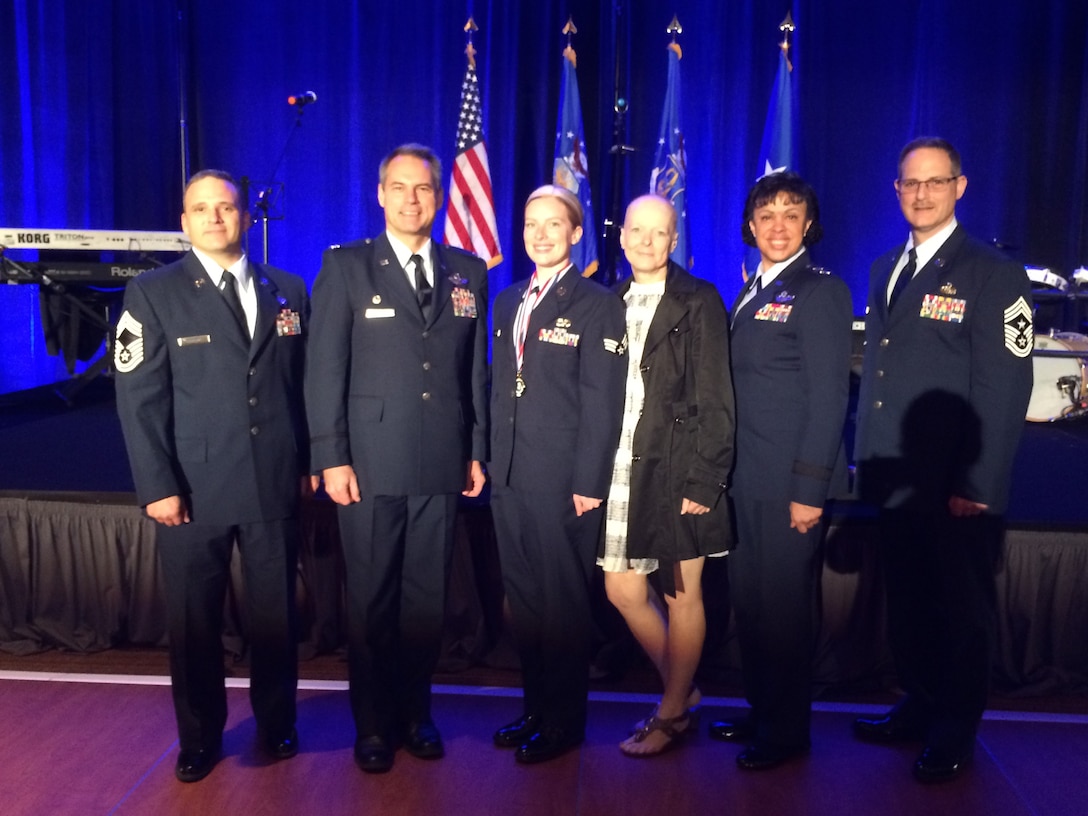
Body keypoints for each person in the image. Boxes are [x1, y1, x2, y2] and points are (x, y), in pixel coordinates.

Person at [114, 169, 309, 783]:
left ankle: (277, 723)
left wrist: (305, 467)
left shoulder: (289, 289)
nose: (215, 219)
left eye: (225, 208)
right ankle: (199, 737)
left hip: (273, 482)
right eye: (202, 209)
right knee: (196, 623)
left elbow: (302, 389)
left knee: (276, 616)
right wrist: (157, 486)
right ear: (184, 222)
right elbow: (138, 399)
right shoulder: (153, 292)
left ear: (246, 218)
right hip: (191, 490)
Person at [853, 137, 1033, 783]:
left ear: (961, 186)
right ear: (897, 190)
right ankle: (920, 703)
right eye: (910, 183)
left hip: (957, 487)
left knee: (960, 613)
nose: (922, 193)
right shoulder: (884, 268)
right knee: (911, 606)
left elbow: (1004, 389)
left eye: (935, 182)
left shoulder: (993, 274)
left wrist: (977, 484)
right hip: (899, 479)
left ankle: (955, 729)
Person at [304, 144, 488, 774]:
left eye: (425, 189)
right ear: (380, 194)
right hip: (370, 465)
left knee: (425, 602)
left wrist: (476, 450)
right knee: (373, 602)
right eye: (400, 188)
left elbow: (474, 373)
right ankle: (374, 724)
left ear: (439, 197)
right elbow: (323, 368)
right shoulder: (347, 268)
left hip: (442, 460)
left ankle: (417, 714)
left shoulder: (467, 270)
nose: (413, 200)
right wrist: (331, 456)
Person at [708, 171, 853, 770]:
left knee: (786, 610)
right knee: (754, 604)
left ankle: (787, 730)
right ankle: (761, 707)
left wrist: (809, 488)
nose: (777, 225)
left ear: (808, 225)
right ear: (749, 226)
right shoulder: (749, 290)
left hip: (790, 483)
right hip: (746, 479)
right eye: (766, 215)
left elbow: (827, 400)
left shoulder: (820, 290)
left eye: (791, 214)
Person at [489, 185, 627, 764]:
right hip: (510, 475)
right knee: (525, 602)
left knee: (564, 605)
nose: (540, 235)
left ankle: (565, 721)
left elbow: (604, 401)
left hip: (563, 480)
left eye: (554, 225)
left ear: (576, 234)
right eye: (530, 224)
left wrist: (589, 481)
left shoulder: (597, 303)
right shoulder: (508, 300)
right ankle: (536, 707)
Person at [598, 194, 735, 757]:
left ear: (674, 241)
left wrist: (705, 479)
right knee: (623, 589)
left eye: (660, 233)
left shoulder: (699, 300)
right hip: (621, 468)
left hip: (680, 468)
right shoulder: (607, 301)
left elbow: (717, 399)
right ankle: (685, 689)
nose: (648, 242)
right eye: (638, 231)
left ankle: (672, 712)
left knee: (682, 595)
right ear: (623, 237)